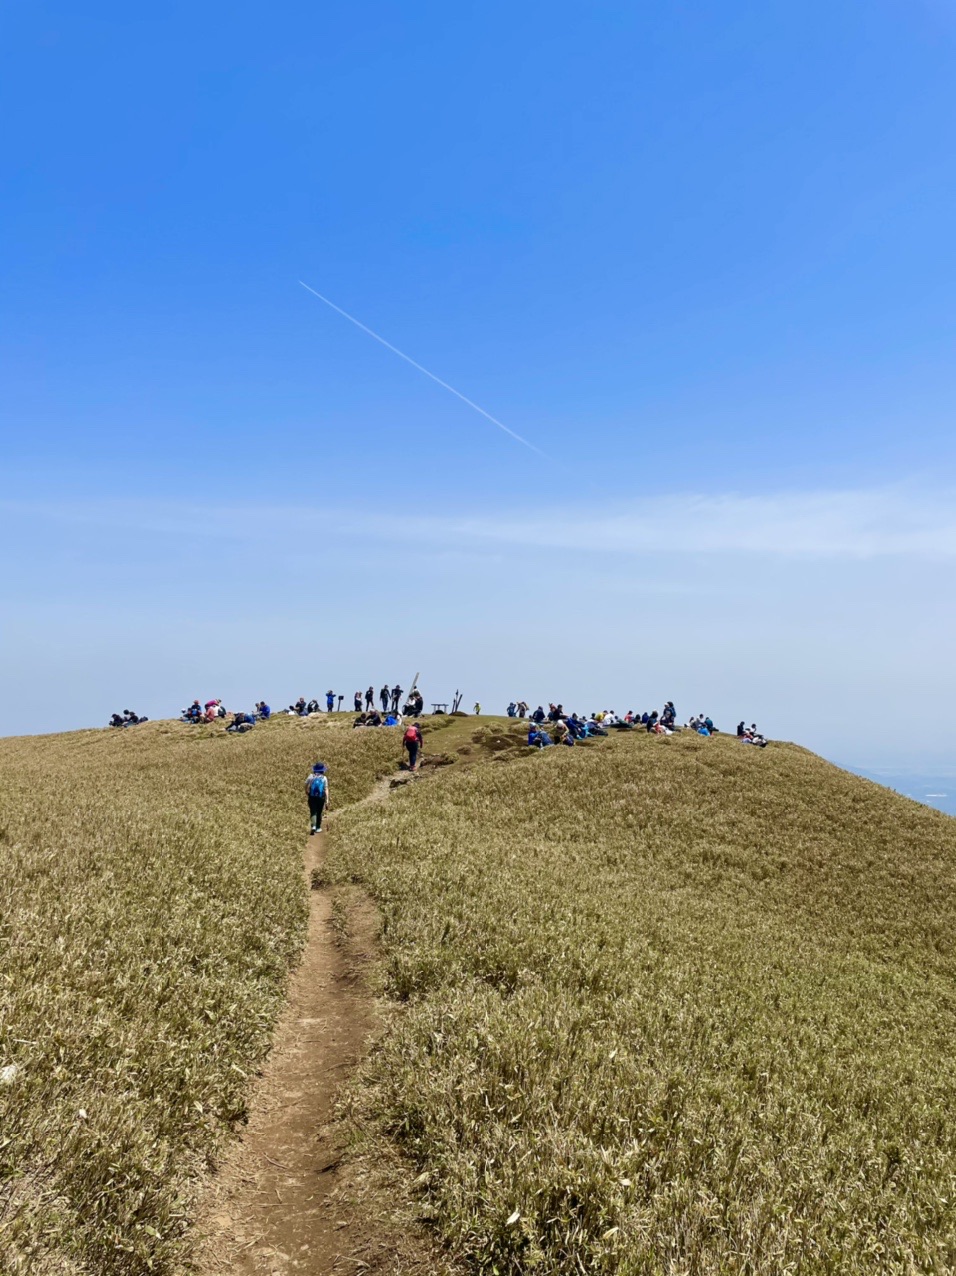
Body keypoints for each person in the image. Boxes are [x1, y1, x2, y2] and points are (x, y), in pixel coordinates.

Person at [305, 763, 330, 835]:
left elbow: (306, 784)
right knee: (319, 812)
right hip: (321, 797)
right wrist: (327, 800)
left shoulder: (311, 776)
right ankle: (318, 827)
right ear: (322, 770)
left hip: (312, 797)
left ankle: (313, 826)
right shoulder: (324, 778)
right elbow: (326, 789)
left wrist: (306, 790)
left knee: (313, 811)